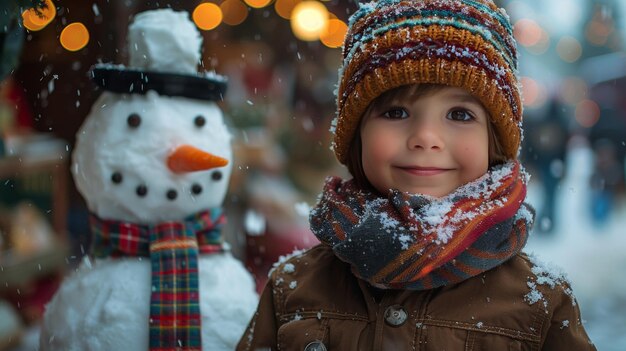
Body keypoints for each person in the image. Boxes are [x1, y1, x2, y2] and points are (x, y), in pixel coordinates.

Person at [237, 1, 596, 350]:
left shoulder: (540, 301)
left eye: (459, 114)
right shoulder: (293, 287)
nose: (425, 137)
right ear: (356, 136)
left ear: (494, 141)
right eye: (395, 113)